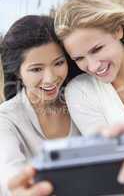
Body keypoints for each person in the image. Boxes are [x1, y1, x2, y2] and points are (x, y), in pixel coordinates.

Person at [54, 0, 124, 195]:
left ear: (117, 30)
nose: (93, 66)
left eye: (97, 49)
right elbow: (111, 159)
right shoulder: (81, 92)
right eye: (79, 58)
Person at [0, 14, 82, 195]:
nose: (51, 78)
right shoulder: (6, 118)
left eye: (59, 63)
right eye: (36, 69)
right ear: (18, 72)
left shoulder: (82, 98)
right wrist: (18, 187)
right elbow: (7, 168)